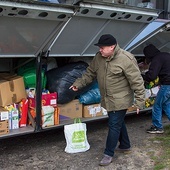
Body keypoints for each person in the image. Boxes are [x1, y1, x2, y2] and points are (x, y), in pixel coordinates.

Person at [69, 34, 145, 166]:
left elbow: (137, 82)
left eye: (102, 47)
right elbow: (90, 73)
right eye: (99, 47)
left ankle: (108, 154)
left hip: (121, 99)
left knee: (114, 125)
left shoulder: (126, 59)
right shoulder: (99, 57)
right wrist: (78, 84)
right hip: (107, 98)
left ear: (112, 47)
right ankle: (125, 145)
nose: (100, 50)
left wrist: (139, 101)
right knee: (118, 122)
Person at [142, 44, 170, 134]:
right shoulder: (166, 55)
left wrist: (142, 76)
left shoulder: (156, 59)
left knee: (157, 105)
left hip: (167, 85)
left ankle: (157, 127)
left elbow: (151, 76)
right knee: (166, 105)